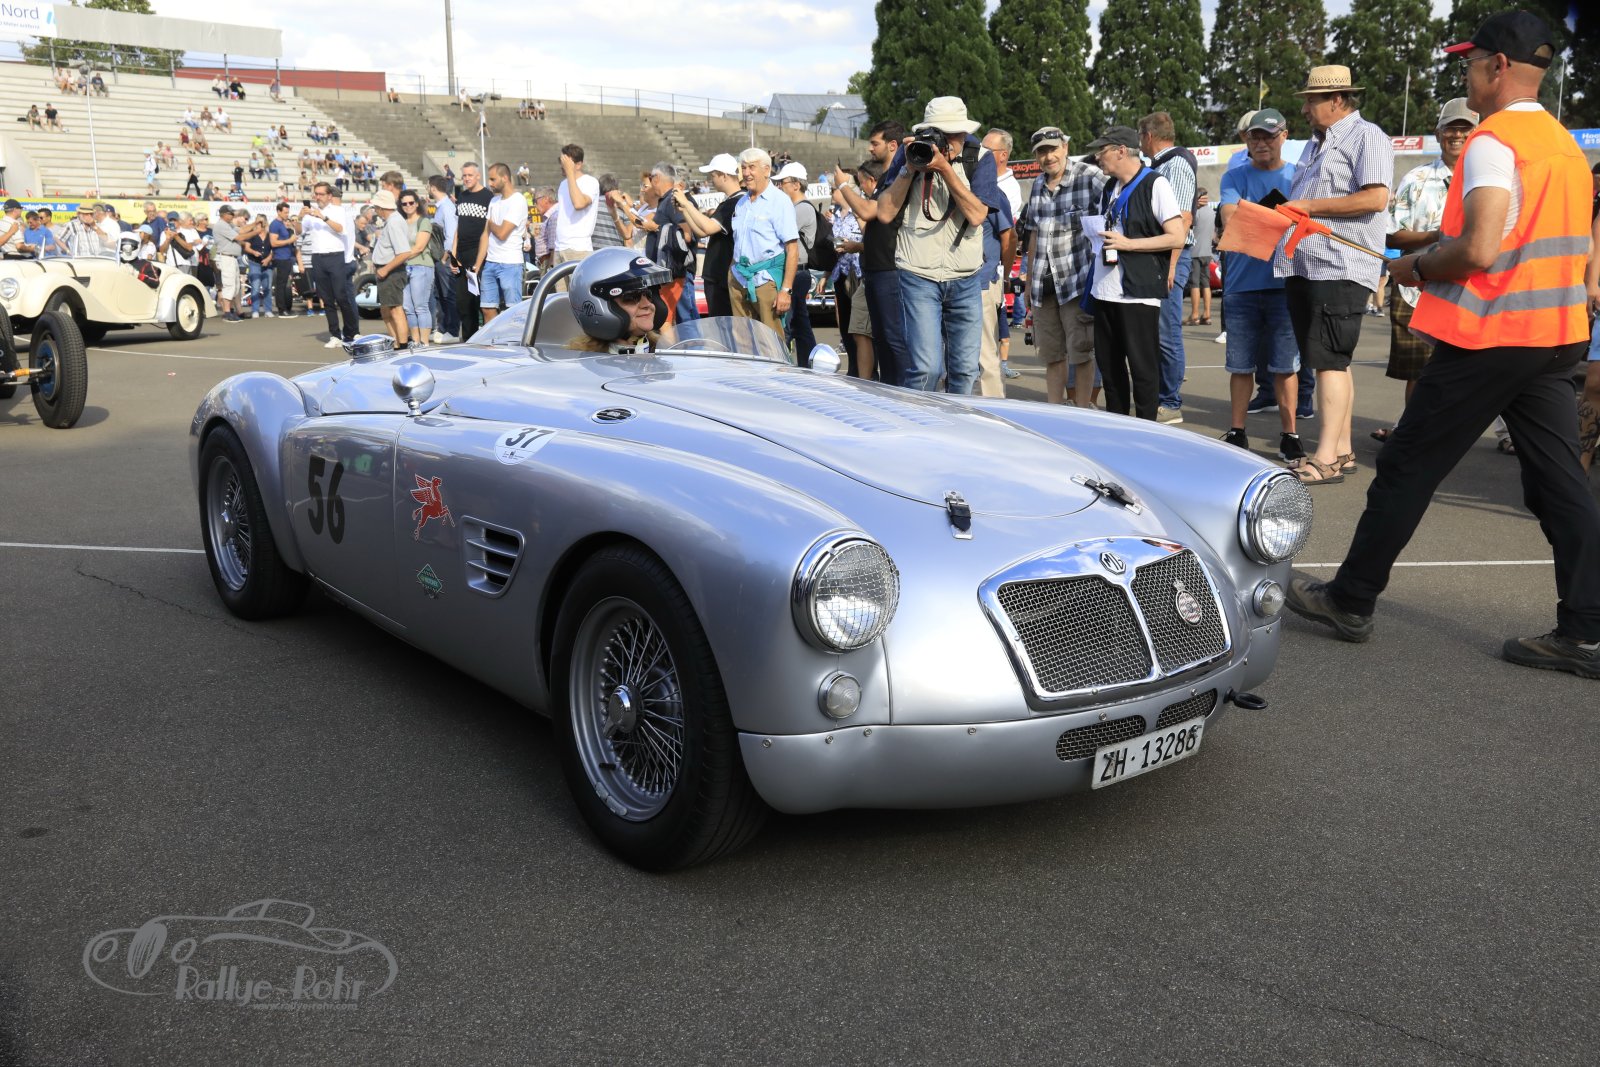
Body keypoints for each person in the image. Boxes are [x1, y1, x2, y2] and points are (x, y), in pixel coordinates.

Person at [1288, 10, 1600, 679]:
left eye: (1470, 62)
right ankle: (1587, 630)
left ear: (1498, 66)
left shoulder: (1494, 141)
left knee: (1406, 466)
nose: (1466, 74)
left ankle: (1350, 599)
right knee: (1560, 485)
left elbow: (1480, 247)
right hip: (1555, 337)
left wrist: (1418, 266)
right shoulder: (1565, 146)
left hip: (1494, 335)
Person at [1275, 64, 1394, 486]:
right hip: (1309, 265)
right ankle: (1340, 451)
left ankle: (1325, 458)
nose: (1305, 109)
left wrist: (1308, 207)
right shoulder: (1316, 143)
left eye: (1311, 100)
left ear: (1337, 100)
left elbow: (1375, 198)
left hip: (1339, 265)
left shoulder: (1367, 136)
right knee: (1331, 362)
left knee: (1329, 362)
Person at [877, 97, 1009, 394]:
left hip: (965, 275)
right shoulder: (912, 153)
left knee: (964, 370)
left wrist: (946, 170)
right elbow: (884, 213)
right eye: (941, 134)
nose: (946, 143)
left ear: (965, 132)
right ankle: (919, 421)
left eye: (953, 135)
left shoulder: (980, 157)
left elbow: (977, 215)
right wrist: (909, 168)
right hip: (917, 272)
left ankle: (956, 422)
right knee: (926, 368)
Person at [1376, 97, 1479, 442]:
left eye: (1465, 129)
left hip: (1473, 292)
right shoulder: (1416, 179)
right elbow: (1393, 234)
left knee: (1473, 370)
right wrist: (1439, 235)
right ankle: (1414, 437)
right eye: (1451, 128)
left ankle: (1452, 436)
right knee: (1419, 373)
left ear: (1476, 134)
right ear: (1438, 133)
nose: (1457, 135)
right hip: (1417, 290)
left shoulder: (1489, 180)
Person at [1216, 108, 1306, 462]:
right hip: (1242, 284)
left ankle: (1290, 434)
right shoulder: (1233, 175)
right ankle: (1237, 431)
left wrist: (1253, 215)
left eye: (1268, 136)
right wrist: (1281, 219)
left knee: (1286, 366)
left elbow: (1304, 222)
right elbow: (1230, 218)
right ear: (1246, 140)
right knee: (1240, 366)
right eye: (1254, 136)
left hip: (1286, 284)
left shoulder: (1299, 175)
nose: (1261, 142)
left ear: (1284, 135)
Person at [1086, 126, 1187, 419]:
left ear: (1121, 151)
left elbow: (1177, 236)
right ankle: (1117, 427)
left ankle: (1146, 430)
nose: (1097, 157)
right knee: (1110, 370)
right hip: (1104, 290)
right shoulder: (1110, 187)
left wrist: (1129, 244)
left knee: (1143, 371)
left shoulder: (1156, 184)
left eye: (1102, 151)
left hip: (1137, 293)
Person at [1017, 126, 1105, 406]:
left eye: (1053, 149)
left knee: (1081, 354)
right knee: (1052, 356)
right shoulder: (1037, 185)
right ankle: (1055, 412)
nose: (1048, 156)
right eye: (1042, 151)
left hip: (1076, 283)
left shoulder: (1090, 177)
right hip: (1044, 286)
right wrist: (1029, 283)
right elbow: (1033, 234)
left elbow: (1113, 210)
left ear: (1065, 147)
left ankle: (1083, 411)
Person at [832, 120, 908, 384]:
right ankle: (889, 389)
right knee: (882, 339)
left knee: (893, 339)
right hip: (875, 269)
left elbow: (867, 211)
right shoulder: (888, 177)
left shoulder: (899, 177)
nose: (870, 148)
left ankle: (902, 392)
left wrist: (844, 186)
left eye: (875, 143)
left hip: (890, 269)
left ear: (893, 145)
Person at [1138, 112, 1199, 424]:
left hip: (1170, 255)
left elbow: (1182, 219)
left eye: (1140, 136)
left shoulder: (1176, 164)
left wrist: (1171, 264)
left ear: (1149, 136)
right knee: (1156, 330)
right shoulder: (1163, 165)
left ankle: (1171, 401)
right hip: (1161, 256)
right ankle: (1162, 396)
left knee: (1166, 331)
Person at [728, 147, 799, 340]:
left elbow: (792, 249)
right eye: (743, 168)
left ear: (766, 170)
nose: (746, 173)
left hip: (766, 280)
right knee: (742, 341)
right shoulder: (742, 203)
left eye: (752, 167)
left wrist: (786, 290)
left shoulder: (780, 201)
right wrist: (732, 274)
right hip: (739, 278)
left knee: (771, 341)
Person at [568, 248, 672, 354]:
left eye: (649, 294)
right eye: (631, 297)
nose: (647, 304)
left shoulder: (663, 351)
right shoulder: (585, 362)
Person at [677, 153, 743, 318]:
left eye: (713, 175)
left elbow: (707, 228)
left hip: (722, 275)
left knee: (723, 323)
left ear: (724, 175)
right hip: (716, 274)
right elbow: (701, 232)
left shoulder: (736, 202)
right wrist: (684, 210)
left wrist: (687, 204)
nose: (712, 180)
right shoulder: (729, 201)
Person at [829, 162, 875, 379]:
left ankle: (866, 372)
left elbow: (871, 239)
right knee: (848, 324)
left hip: (859, 271)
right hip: (841, 271)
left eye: (836, 188)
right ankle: (855, 369)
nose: (833, 192)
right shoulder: (838, 213)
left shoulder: (863, 209)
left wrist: (855, 246)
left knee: (862, 327)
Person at [300, 182, 359, 348]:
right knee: (326, 299)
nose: (318, 197)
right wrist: (299, 217)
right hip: (317, 257)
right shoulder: (309, 213)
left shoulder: (338, 211)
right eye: (316, 194)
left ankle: (351, 332)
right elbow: (298, 231)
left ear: (329, 196)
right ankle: (335, 335)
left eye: (321, 194)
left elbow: (340, 229)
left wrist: (322, 217)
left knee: (341, 296)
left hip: (335, 256)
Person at [773, 162, 818, 360]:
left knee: (787, 324)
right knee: (800, 325)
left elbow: (778, 233)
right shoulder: (796, 207)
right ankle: (809, 364)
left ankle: (784, 364)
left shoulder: (801, 209)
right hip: (798, 272)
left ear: (796, 185)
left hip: (796, 272)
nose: (779, 187)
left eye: (782, 182)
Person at [475, 162, 528, 322]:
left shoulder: (518, 200)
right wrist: (478, 265)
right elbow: (485, 235)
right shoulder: (494, 201)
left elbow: (502, 233)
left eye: (493, 179)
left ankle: (514, 337)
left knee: (513, 311)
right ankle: (494, 337)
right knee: (487, 308)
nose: (489, 183)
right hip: (490, 262)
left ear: (504, 178)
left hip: (510, 264)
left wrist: (490, 224)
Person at [448, 161, 493, 335]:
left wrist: (479, 262)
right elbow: (458, 228)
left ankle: (484, 340)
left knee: (481, 303)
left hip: (480, 255)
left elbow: (488, 231)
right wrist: (453, 256)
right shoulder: (462, 196)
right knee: (464, 304)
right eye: (464, 175)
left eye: (470, 175)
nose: (466, 178)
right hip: (461, 256)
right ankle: (468, 341)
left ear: (478, 176)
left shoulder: (488, 197)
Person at [369, 190, 414, 344]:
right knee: (387, 310)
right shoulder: (393, 221)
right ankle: (396, 343)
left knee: (395, 309)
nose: (375, 210)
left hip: (391, 271)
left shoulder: (394, 222)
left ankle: (402, 345)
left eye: (376, 207)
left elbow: (404, 252)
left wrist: (385, 269)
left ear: (381, 207)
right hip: (388, 271)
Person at [552, 144, 601, 269]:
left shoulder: (590, 182)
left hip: (579, 248)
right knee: (559, 283)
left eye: (566, 162)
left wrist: (570, 172)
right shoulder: (563, 184)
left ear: (578, 165)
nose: (562, 165)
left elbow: (579, 204)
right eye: (561, 161)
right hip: (560, 247)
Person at [425, 176, 460, 342]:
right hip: (440, 257)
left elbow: (451, 234)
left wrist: (445, 257)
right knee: (440, 294)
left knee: (448, 294)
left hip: (445, 257)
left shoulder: (447, 207)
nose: (427, 189)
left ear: (433, 188)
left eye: (428, 186)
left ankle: (453, 331)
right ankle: (443, 328)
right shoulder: (442, 207)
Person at [1185, 189, 1214, 325]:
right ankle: (1207, 314)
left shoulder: (1195, 213)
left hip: (1195, 252)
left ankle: (1195, 315)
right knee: (1206, 284)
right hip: (1207, 252)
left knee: (1194, 284)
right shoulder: (1212, 213)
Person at [268, 202, 298, 315]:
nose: (287, 214)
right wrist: (290, 240)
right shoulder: (275, 224)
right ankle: (281, 309)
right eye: (285, 212)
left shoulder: (282, 224)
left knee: (284, 283)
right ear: (278, 212)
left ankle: (284, 307)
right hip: (281, 258)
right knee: (281, 284)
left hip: (287, 257)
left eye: (288, 212)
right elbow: (273, 242)